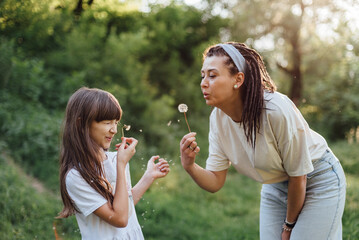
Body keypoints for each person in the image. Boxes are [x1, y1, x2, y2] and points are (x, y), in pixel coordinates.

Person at [180, 42, 346, 240]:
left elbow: (298, 176)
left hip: (317, 178)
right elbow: (215, 181)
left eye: (213, 75)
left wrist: (288, 226)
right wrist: (189, 165)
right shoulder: (217, 118)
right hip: (275, 185)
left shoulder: (275, 110)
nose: (203, 83)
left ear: (238, 79)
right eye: (203, 75)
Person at [58, 87, 170, 240]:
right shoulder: (76, 176)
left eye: (116, 122)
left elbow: (124, 206)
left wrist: (149, 176)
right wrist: (121, 164)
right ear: (81, 124)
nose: (114, 130)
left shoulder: (114, 159)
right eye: (107, 122)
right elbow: (120, 219)